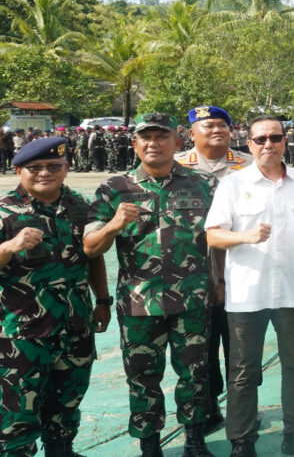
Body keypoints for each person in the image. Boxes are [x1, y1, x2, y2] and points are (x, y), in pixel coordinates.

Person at [83, 113, 217, 457]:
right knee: (142, 379)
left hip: (192, 300)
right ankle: (149, 445)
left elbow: (220, 237)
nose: (153, 143)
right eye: (146, 137)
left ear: (177, 141)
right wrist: (114, 225)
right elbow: (91, 247)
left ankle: (195, 440)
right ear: (135, 143)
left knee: (195, 374)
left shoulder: (204, 184)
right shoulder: (114, 188)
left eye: (161, 136)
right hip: (139, 303)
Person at [205, 116, 294, 457]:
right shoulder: (233, 184)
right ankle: (242, 440)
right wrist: (245, 236)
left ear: (285, 141)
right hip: (247, 294)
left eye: (275, 138)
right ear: (249, 144)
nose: (268, 144)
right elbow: (213, 235)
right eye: (260, 139)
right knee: (243, 372)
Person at [0, 137, 111, 457]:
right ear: (18, 171)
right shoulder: (5, 211)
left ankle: (61, 449)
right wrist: (9, 246)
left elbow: (93, 256)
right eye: (35, 168)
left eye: (53, 166)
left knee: (68, 400)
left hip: (76, 325)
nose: (45, 173)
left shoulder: (79, 206)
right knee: (19, 408)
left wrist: (103, 301)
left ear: (66, 168)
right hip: (23, 333)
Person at [175, 104, 253, 430]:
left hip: (242, 268)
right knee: (199, 346)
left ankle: (242, 410)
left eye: (222, 125)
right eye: (208, 126)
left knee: (241, 345)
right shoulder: (176, 166)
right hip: (193, 273)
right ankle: (207, 406)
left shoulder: (249, 164)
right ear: (191, 133)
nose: (217, 130)